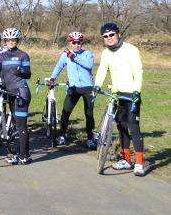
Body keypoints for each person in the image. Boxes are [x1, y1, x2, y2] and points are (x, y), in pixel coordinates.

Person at [94, 22, 145, 176]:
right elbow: (102, 69)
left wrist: (137, 90)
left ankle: (139, 164)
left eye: (111, 35)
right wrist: (97, 85)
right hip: (116, 95)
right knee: (121, 127)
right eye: (105, 36)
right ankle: (126, 160)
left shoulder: (131, 49)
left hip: (131, 94)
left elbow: (139, 70)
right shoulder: (106, 53)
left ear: (118, 34)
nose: (109, 38)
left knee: (133, 127)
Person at [0, 28, 32, 165]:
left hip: (21, 92)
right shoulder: (2, 56)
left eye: (13, 40)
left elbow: (28, 74)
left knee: (21, 125)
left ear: (17, 40)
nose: (10, 42)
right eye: (7, 40)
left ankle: (23, 157)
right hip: (9, 92)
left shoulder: (23, 55)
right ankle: (25, 153)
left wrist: (21, 72)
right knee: (16, 122)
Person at [48, 31, 96, 149]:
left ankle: (90, 139)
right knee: (66, 112)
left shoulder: (87, 53)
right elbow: (59, 66)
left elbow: (89, 65)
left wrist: (74, 58)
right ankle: (62, 135)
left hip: (88, 87)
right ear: (70, 43)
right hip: (73, 88)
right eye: (73, 43)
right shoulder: (66, 55)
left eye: (78, 42)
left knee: (89, 114)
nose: (76, 45)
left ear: (81, 43)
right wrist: (52, 78)